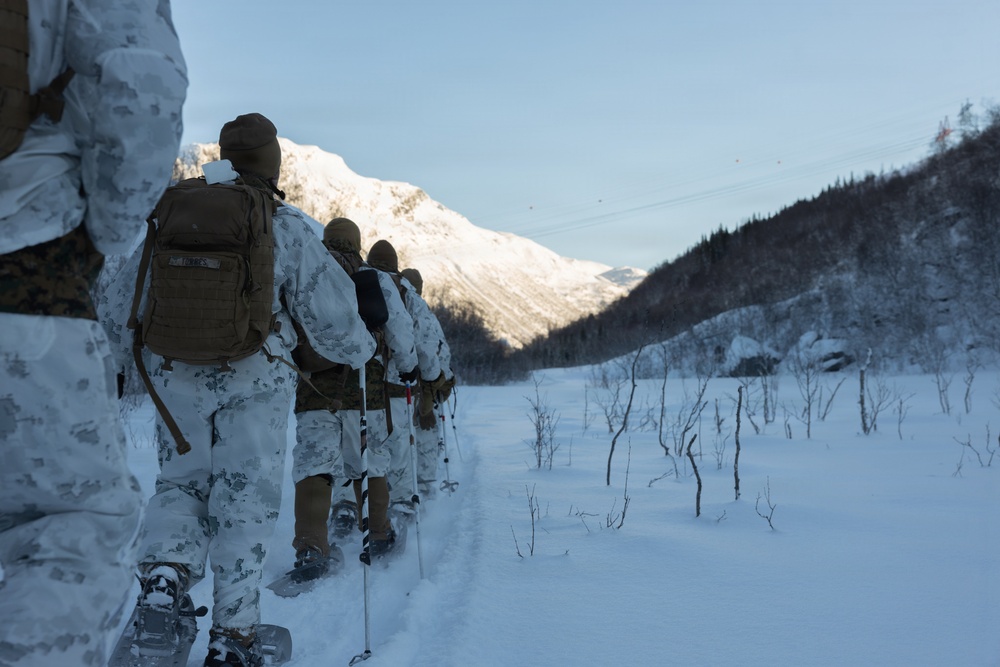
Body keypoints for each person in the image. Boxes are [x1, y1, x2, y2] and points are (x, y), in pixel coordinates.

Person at [98, 114, 376, 666]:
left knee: (180, 485)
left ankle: (164, 578)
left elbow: (115, 309)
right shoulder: (283, 223)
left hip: (173, 375)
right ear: (273, 165)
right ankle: (234, 637)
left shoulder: (171, 214)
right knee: (243, 502)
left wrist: (130, 362)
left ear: (224, 156)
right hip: (255, 379)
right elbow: (340, 327)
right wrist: (362, 351)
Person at [0, 2, 187, 665]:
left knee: (183, 484)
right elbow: (142, 81)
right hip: (26, 270)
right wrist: (105, 235)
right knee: (74, 528)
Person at [291, 218, 417, 569]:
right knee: (370, 461)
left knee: (314, 465)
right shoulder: (373, 277)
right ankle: (378, 532)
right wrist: (408, 367)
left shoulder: (306, 268)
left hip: (314, 390)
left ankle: (311, 548)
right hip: (366, 391)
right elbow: (400, 328)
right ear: (357, 243)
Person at [365, 241, 449, 513]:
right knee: (399, 446)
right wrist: (434, 380)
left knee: (363, 446)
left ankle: (353, 507)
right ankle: (401, 504)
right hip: (398, 385)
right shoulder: (407, 295)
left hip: (358, 384)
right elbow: (426, 346)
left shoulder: (355, 281)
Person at [400, 267, 457, 497]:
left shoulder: (388, 307)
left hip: (393, 395)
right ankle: (423, 497)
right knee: (424, 445)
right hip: (424, 395)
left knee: (398, 449)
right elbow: (439, 355)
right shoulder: (423, 313)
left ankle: (398, 497)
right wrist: (446, 381)